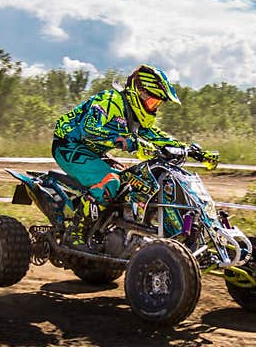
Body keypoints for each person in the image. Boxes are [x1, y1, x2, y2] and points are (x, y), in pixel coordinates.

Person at [52, 64, 200, 247]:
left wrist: (192, 150)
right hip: (69, 146)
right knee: (110, 182)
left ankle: (110, 233)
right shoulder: (110, 100)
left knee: (131, 181)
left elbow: (156, 136)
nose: (155, 108)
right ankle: (76, 233)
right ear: (139, 92)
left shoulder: (133, 115)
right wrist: (126, 140)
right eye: (153, 102)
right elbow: (88, 129)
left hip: (94, 152)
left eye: (158, 104)